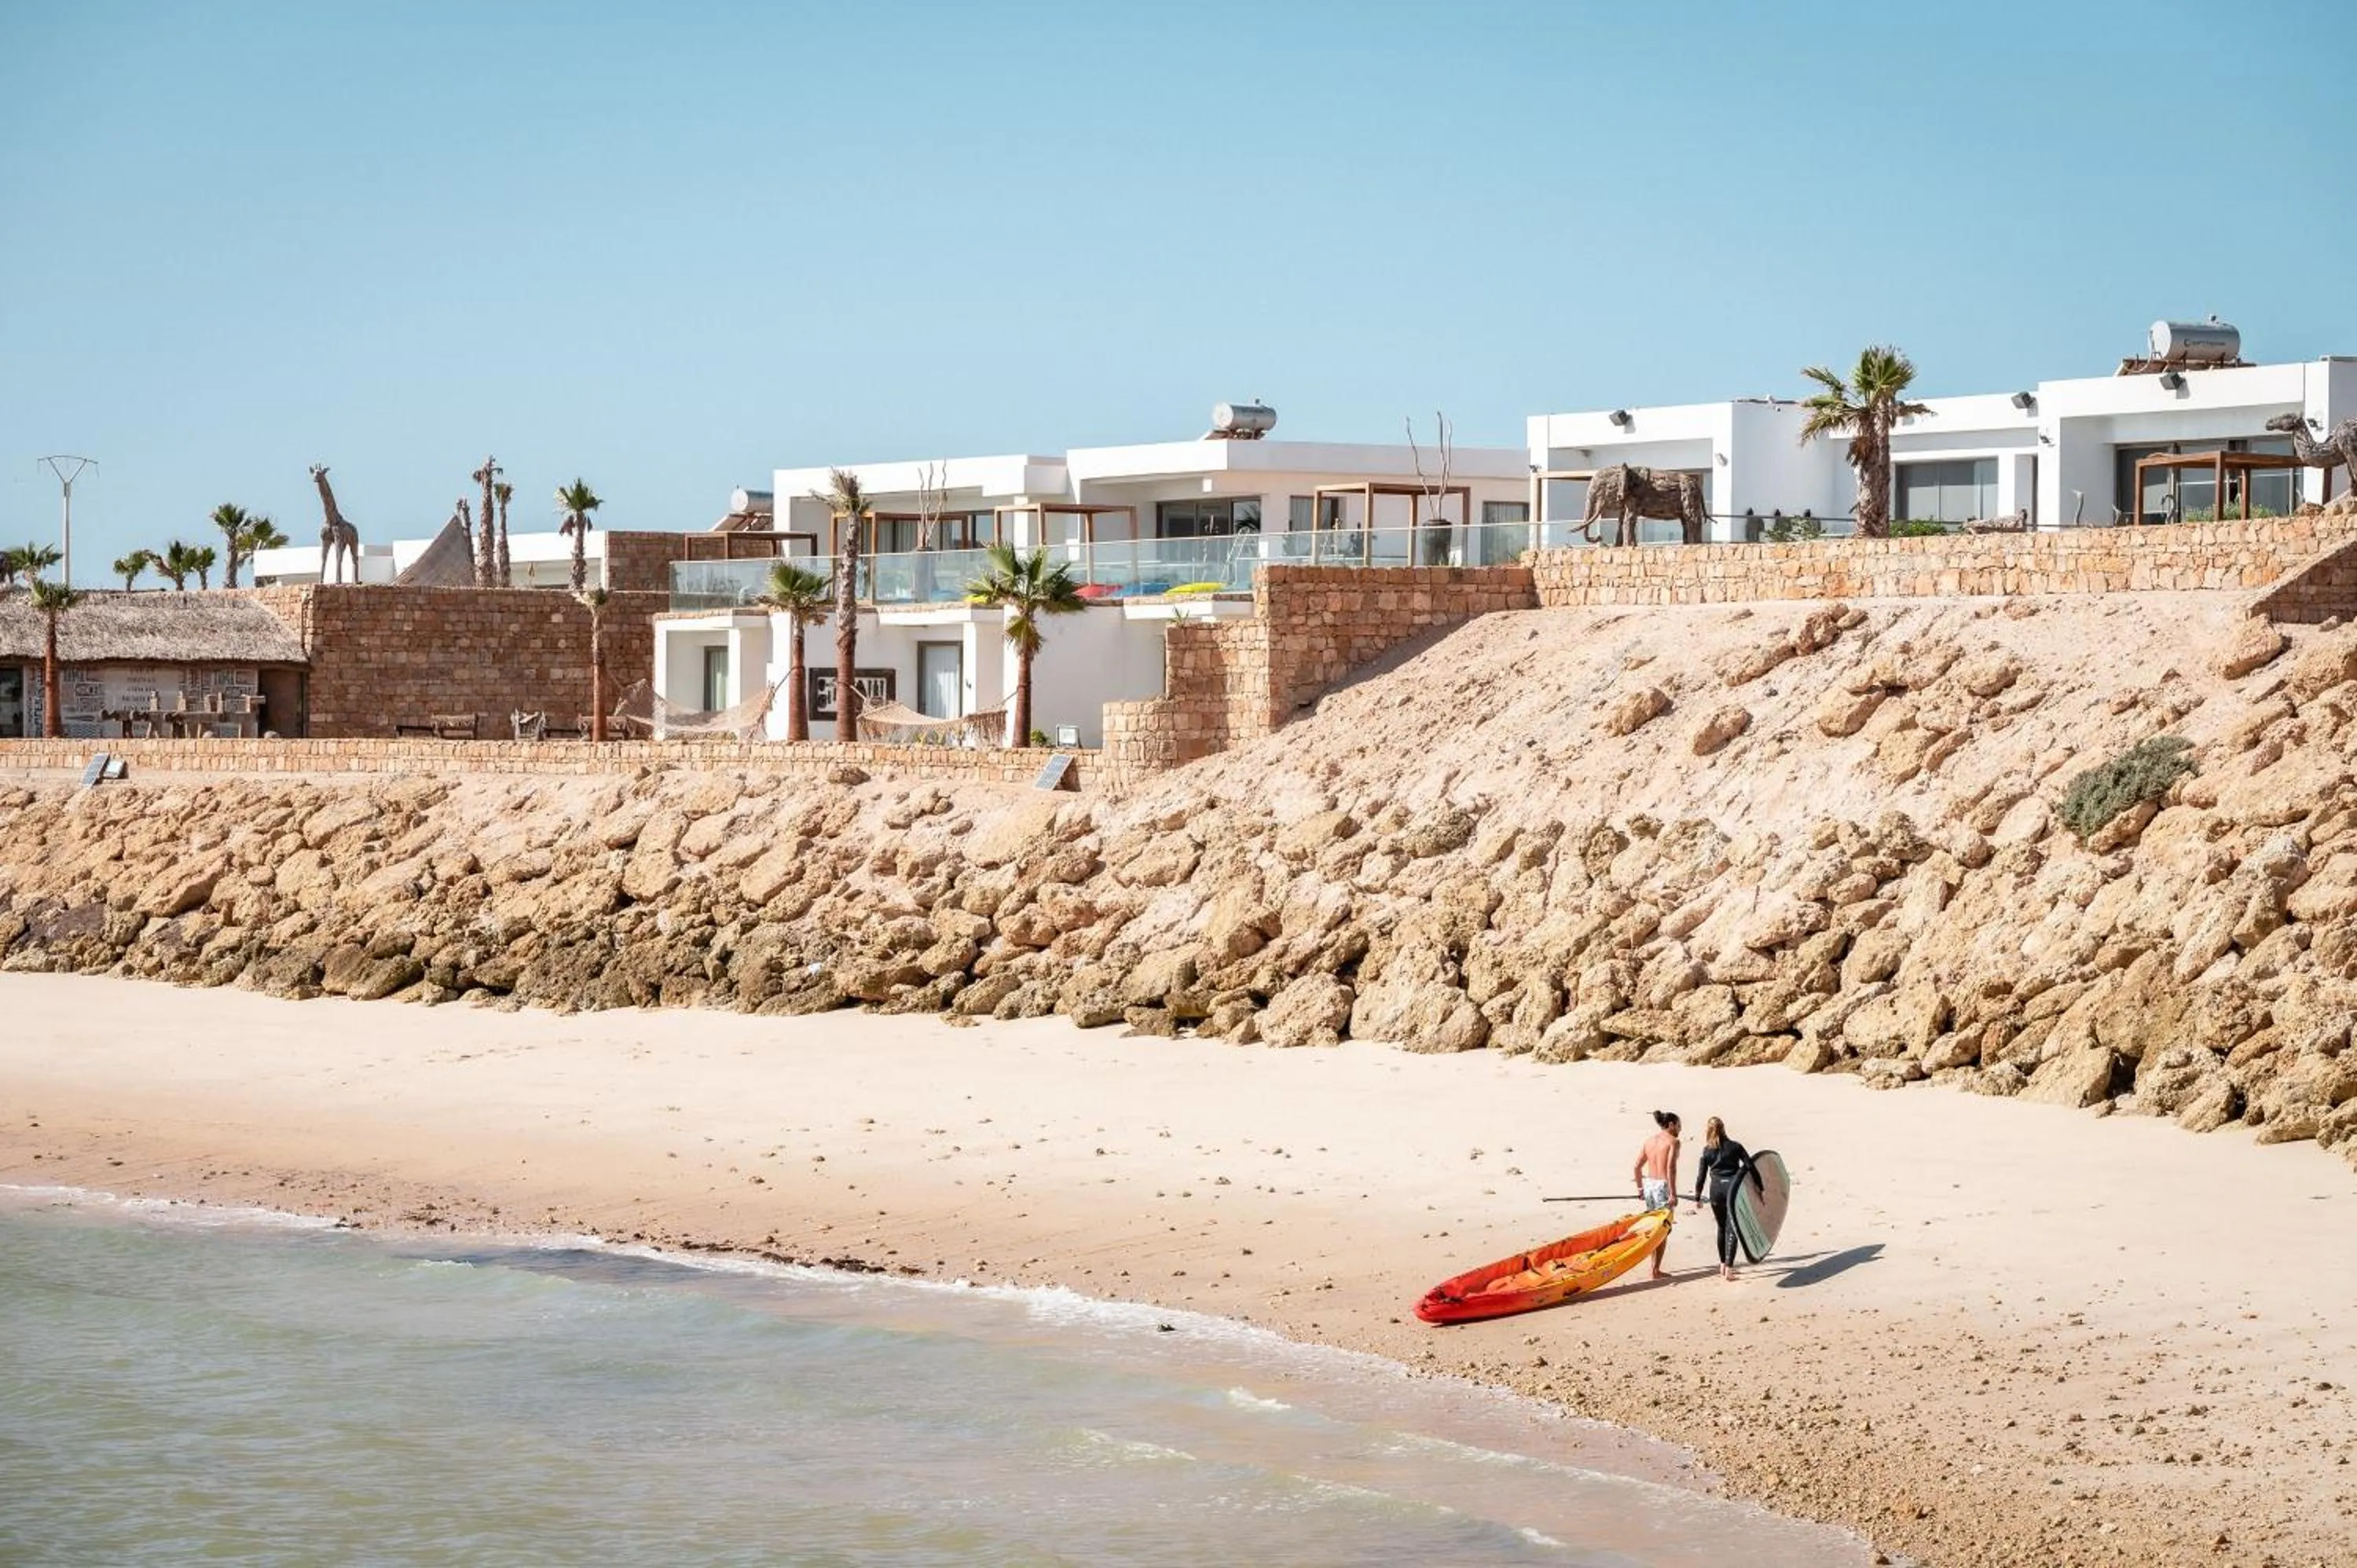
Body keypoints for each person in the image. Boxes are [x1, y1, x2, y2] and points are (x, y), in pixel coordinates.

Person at [1690, 1116, 1761, 1281]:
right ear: (1724, 1128)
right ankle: (1729, 1268)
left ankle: (1722, 1265)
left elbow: (1700, 1177)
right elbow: (1750, 1166)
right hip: (1732, 1189)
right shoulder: (1735, 1146)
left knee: (1721, 1228)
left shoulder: (1706, 1151)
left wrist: (1697, 1198)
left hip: (1715, 1191)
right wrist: (1760, 1187)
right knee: (1733, 1228)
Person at [1631, 1110, 1681, 1280]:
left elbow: (1637, 1167)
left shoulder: (1649, 1141)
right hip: (1662, 1187)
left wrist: (1640, 1189)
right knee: (1663, 1230)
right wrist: (1673, 1193)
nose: (1680, 1129)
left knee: (1655, 1228)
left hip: (1650, 1185)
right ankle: (1655, 1270)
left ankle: (1654, 1267)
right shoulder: (1673, 1142)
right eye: (1679, 1125)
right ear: (1672, 1124)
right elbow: (1671, 1169)